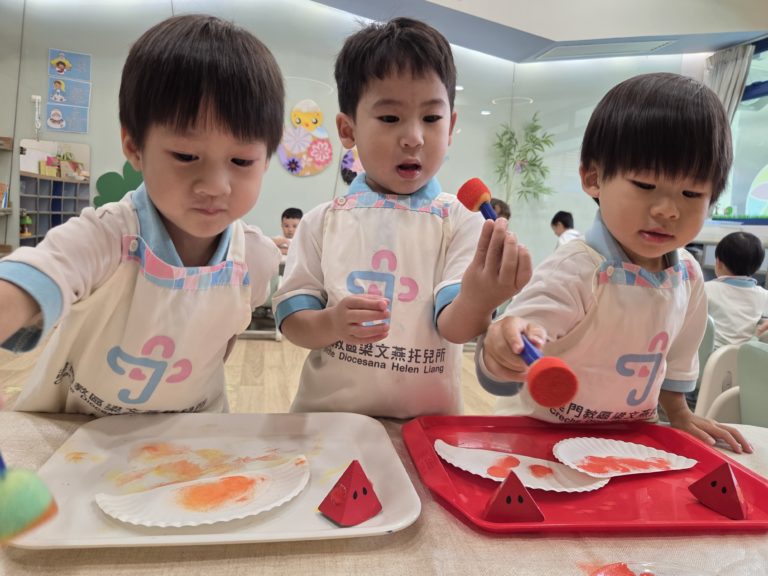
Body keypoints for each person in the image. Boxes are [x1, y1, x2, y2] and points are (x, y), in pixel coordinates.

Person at [0, 15, 283, 416]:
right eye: (186, 156)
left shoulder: (256, 258)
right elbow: (35, 275)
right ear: (134, 147)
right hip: (76, 430)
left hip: (191, 435)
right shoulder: (106, 236)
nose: (216, 186)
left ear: (266, 159)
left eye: (242, 160)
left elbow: (223, 340)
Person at [477, 72, 751, 454]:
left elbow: (678, 357)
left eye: (691, 193)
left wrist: (679, 414)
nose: (667, 210)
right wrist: (503, 346)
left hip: (629, 443)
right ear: (594, 178)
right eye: (645, 185)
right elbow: (519, 336)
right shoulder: (576, 268)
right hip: (540, 440)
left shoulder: (688, 275)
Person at [272, 17, 531, 418]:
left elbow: (454, 327)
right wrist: (331, 324)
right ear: (348, 129)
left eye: (431, 118)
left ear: (451, 126)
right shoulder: (323, 221)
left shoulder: (460, 221)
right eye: (390, 118)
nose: (413, 137)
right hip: (330, 422)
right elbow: (293, 320)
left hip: (426, 428)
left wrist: (481, 298)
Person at [705, 231, 768, 349]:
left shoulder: (706, 289)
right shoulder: (764, 295)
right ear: (757, 267)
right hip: (743, 356)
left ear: (718, 262)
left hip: (710, 356)